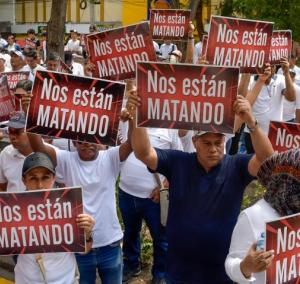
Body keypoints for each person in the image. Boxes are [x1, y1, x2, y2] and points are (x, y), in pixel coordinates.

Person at [126, 91, 274, 284]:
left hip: (221, 271)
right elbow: (144, 152)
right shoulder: (178, 162)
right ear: (195, 142)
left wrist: (252, 123)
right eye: (206, 143)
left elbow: (268, 161)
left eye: (218, 142)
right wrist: (138, 116)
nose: (213, 148)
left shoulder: (236, 166)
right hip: (179, 269)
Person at [21, 92, 133, 284]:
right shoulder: (66, 159)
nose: (86, 145)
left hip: (110, 243)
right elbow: (39, 147)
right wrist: (30, 111)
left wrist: (132, 117)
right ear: (73, 142)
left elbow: (131, 144)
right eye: (81, 140)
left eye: (91, 140)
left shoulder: (111, 158)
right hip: (80, 245)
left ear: (100, 140)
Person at [119, 106, 183, 283]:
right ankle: (132, 265)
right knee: (130, 232)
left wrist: (166, 185)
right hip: (126, 192)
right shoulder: (131, 120)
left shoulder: (171, 126)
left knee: (161, 238)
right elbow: (122, 146)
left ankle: (160, 274)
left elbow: (179, 161)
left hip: (154, 198)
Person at [14, 151, 95, 284]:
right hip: (26, 280)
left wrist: (87, 233)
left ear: (53, 178)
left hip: (65, 280)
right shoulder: (13, 209)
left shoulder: (70, 205)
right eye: (33, 178)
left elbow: (84, 250)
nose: (40, 185)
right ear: (24, 180)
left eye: (45, 177)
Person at [225, 148, 299, 284]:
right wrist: (245, 267)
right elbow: (231, 262)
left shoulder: (296, 210)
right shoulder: (253, 215)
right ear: (287, 183)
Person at [0, 113, 31, 192]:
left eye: (17, 132)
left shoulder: (51, 153)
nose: (12, 137)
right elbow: (3, 186)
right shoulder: (5, 154)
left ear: (31, 131)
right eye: (10, 131)